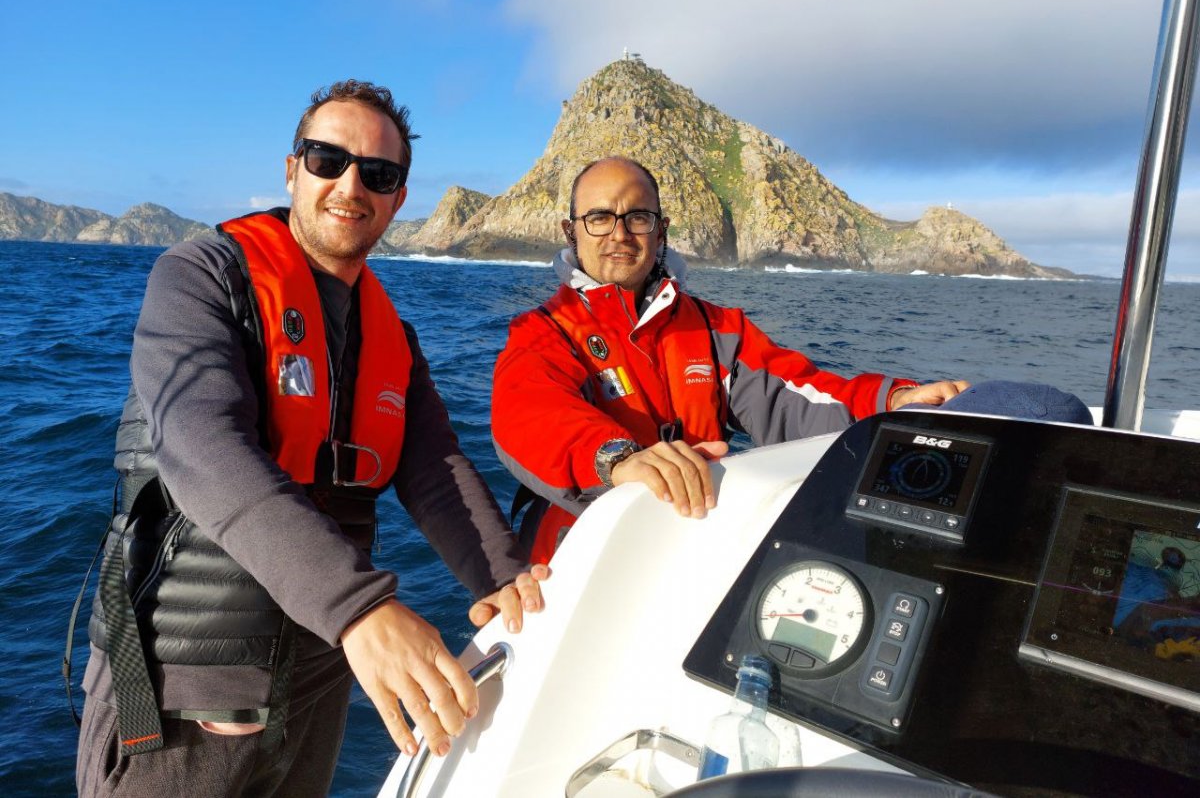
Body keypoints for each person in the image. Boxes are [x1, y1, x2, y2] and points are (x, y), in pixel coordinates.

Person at [76, 80, 548, 797]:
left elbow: (434, 469)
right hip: (191, 678)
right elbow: (202, 444)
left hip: (321, 675)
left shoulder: (392, 337)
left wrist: (506, 577)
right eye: (328, 159)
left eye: (379, 174)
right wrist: (361, 608)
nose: (350, 184)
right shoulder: (202, 277)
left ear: (397, 198)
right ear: (292, 169)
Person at [491, 156, 1087, 565]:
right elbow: (528, 413)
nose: (619, 232)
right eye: (599, 217)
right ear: (572, 230)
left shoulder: (717, 329)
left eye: (636, 216)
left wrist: (893, 400)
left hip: (693, 540)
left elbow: (801, 396)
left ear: (660, 229)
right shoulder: (545, 332)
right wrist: (619, 459)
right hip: (580, 555)